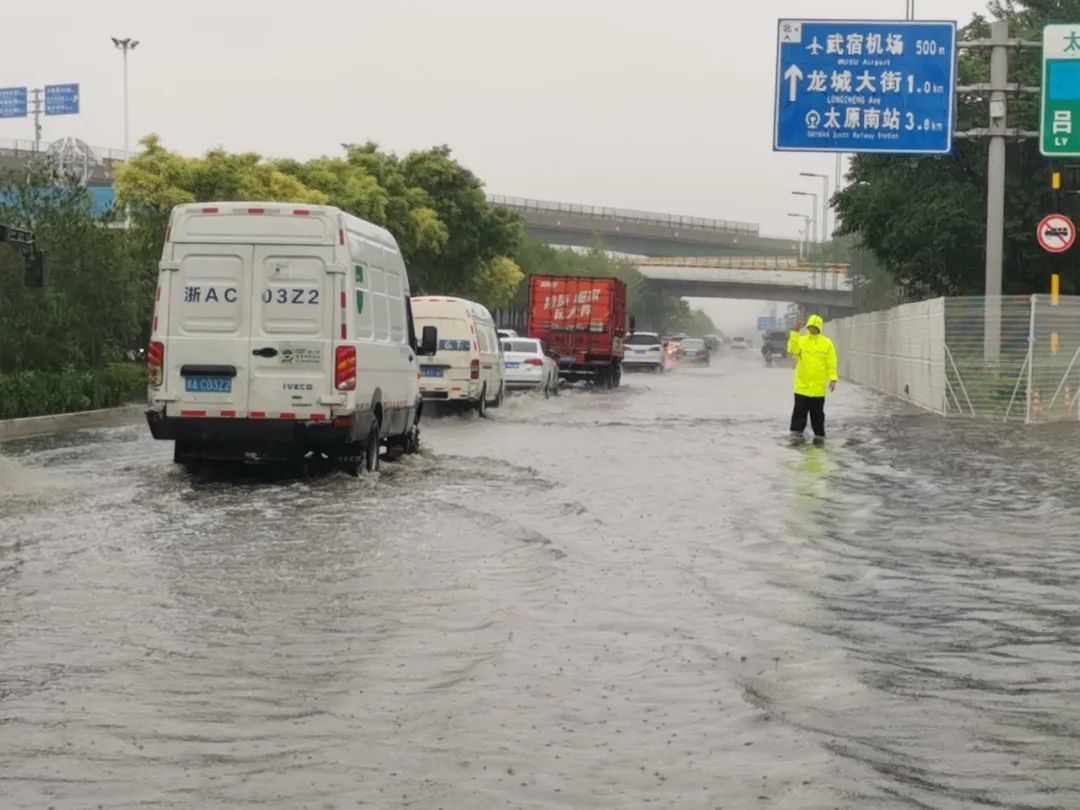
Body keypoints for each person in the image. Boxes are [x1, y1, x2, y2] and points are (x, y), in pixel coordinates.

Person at [787, 314, 838, 440]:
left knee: (818, 417)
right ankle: (796, 439)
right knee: (799, 415)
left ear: (819, 328)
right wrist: (795, 332)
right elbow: (792, 349)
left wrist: (833, 378)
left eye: (815, 327)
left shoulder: (827, 343)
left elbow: (831, 363)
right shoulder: (802, 340)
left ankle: (819, 438)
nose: (812, 329)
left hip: (818, 389)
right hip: (801, 387)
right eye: (810, 327)